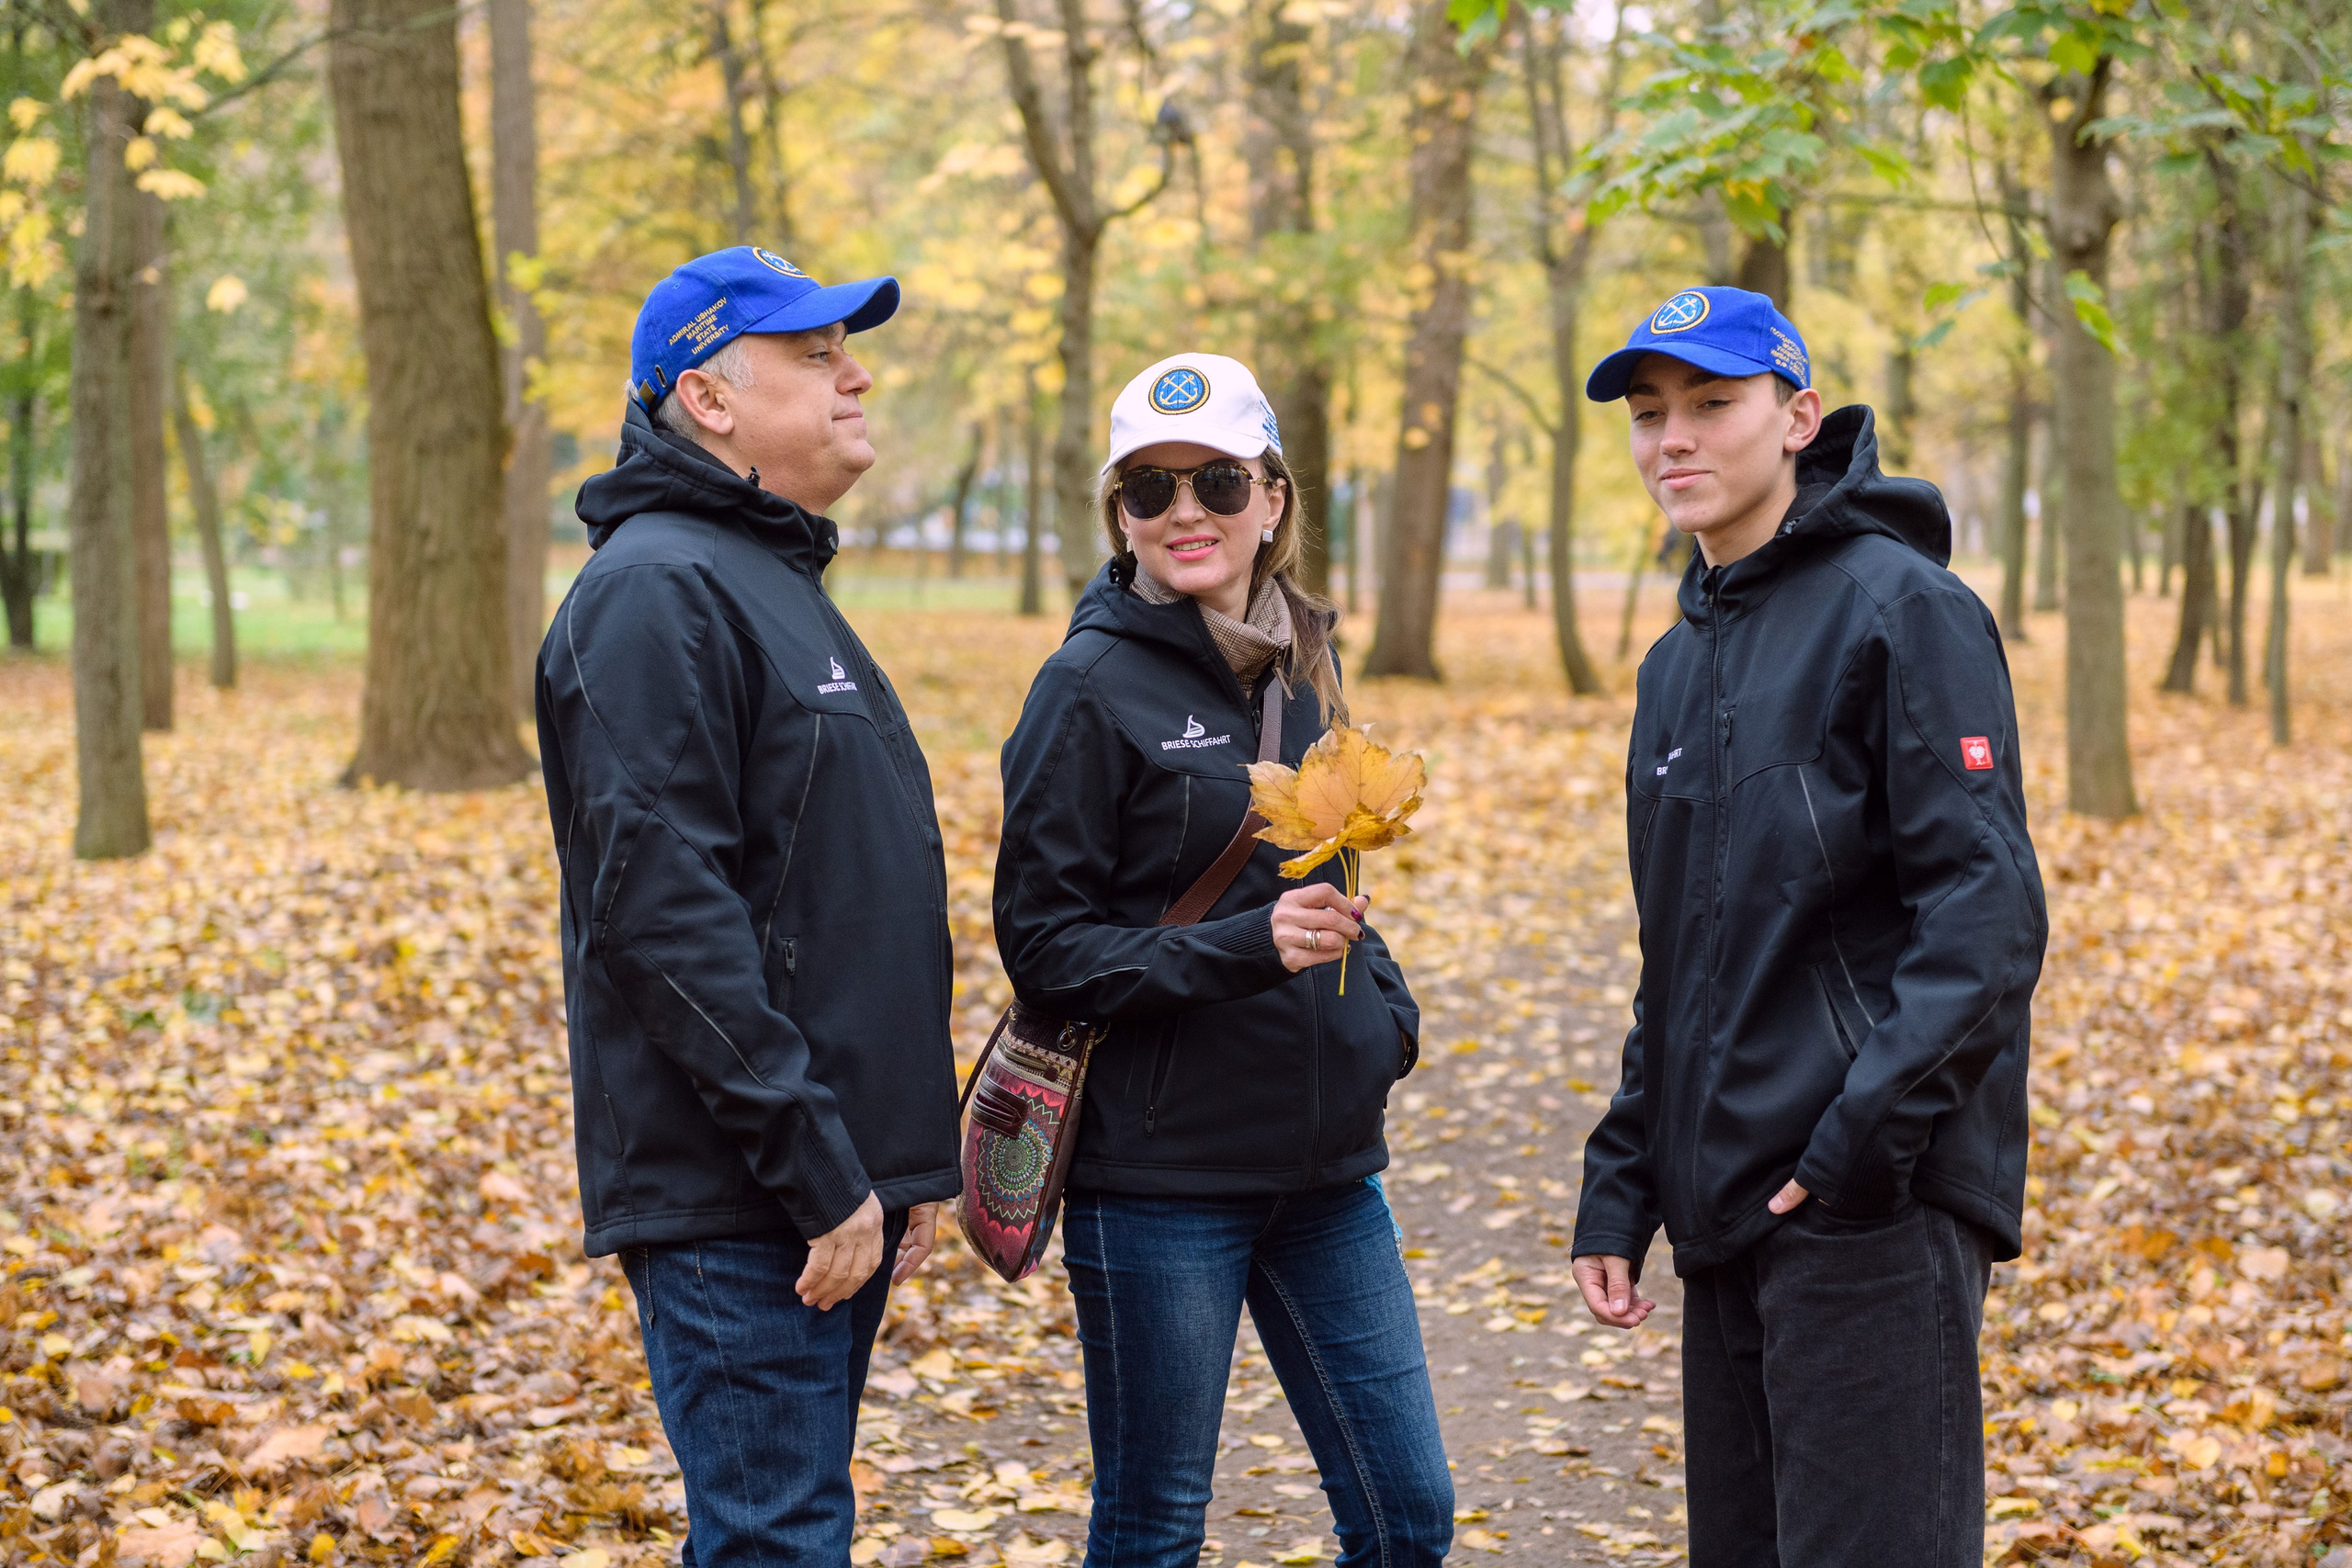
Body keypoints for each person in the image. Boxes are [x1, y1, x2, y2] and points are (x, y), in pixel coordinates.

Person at [1569, 287, 2047, 1567]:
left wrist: (1859, 1144)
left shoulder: (1904, 610)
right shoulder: (1680, 665)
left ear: (1798, 417)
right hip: (1725, 1207)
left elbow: (1987, 914)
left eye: (1711, 406)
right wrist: (1626, 1178)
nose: (1673, 439)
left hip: (1865, 1205)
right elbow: (1686, 957)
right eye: (1651, 414)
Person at [535, 247, 962, 1564]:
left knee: (778, 1531)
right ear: (710, 400)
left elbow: (815, 890)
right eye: (816, 354)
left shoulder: (759, 577)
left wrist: (898, 1162)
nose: (858, 374)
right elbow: (663, 920)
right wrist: (817, 1168)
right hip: (749, 1200)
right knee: (777, 1542)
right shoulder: (653, 592)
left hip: (820, 1184)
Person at [993, 355, 1453, 1567]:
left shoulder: (1299, 666)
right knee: (1152, 1536)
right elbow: (1044, 948)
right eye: (1149, 488)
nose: (1185, 510)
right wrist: (1246, 952)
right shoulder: (1084, 690)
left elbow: (1322, 870)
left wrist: (1383, 1015)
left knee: (1409, 1520)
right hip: (1160, 1185)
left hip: (1326, 1178)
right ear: (1119, 515)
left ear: (1273, 499)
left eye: (1215, 480)